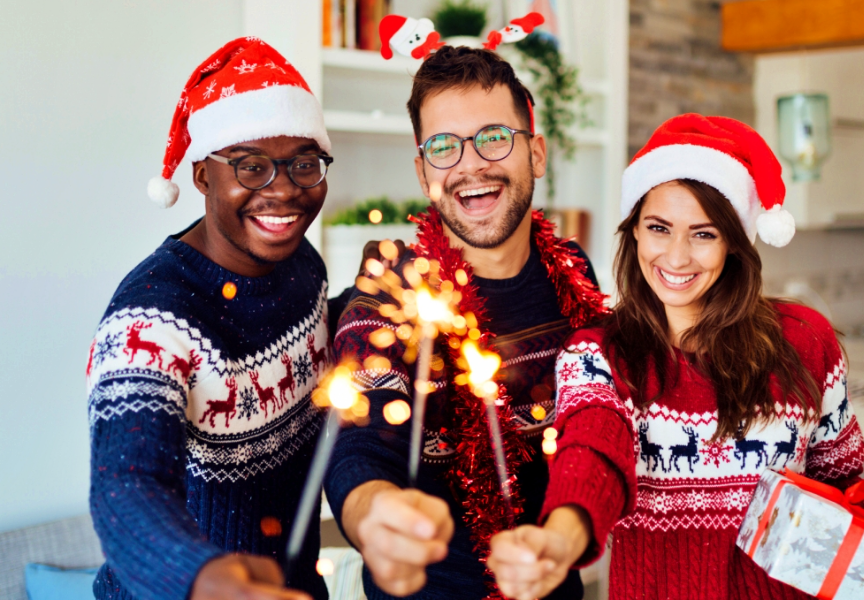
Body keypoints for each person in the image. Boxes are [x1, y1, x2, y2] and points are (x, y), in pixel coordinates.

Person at [487, 114, 864, 600]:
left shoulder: (806, 341)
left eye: (703, 233)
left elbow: (840, 477)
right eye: (659, 228)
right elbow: (592, 455)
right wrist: (559, 540)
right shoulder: (597, 354)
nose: (675, 257)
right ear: (634, 231)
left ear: (735, 244)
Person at [326, 45, 607, 600]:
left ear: (537, 152)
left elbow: (601, 428)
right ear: (422, 170)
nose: (471, 165)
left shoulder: (575, 278)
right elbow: (358, 450)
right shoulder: (389, 294)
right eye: (443, 147)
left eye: (494, 137)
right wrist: (376, 513)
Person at [88, 37, 335, 600]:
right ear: (202, 176)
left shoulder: (304, 267)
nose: (284, 190)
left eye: (305, 163)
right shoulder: (149, 317)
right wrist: (204, 579)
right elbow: (126, 484)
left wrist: (365, 301)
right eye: (251, 167)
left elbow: (308, 348)